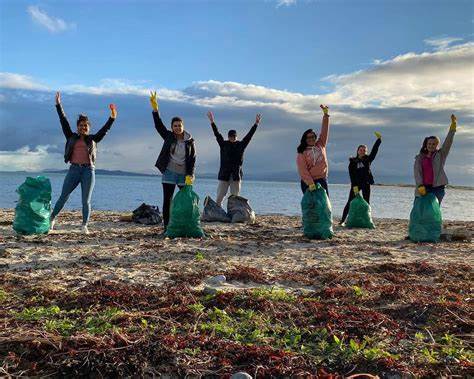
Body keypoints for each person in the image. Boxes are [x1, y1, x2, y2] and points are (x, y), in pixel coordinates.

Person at [50, 92, 117, 234]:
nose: (83, 128)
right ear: (77, 127)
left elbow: (105, 130)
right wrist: (58, 105)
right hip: (73, 170)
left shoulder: (93, 139)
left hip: (88, 171)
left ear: (89, 128)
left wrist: (112, 118)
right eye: (81, 125)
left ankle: (84, 225)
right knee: (64, 196)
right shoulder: (71, 136)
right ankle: (52, 218)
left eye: (85, 126)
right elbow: (63, 120)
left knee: (86, 200)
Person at [149, 91, 196, 231]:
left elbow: (192, 159)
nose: (177, 127)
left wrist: (190, 175)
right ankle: (167, 227)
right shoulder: (168, 136)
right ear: (172, 127)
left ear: (183, 126)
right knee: (167, 201)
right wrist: (155, 109)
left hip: (184, 174)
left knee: (186, 201)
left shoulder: (190, 141)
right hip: (169, 172)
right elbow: (158, 126)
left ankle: (187, 224)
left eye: (179, 125)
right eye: (175, 125)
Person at [207, 111, 262, 207]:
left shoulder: (241, 145)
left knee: (235, 197)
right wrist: (212, 122)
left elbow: (249, 136)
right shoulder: (223, 144)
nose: (233, 138)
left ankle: (234, 213)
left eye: (234, 136)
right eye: (231, 137)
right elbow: (217, 134)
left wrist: (256, 124)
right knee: (220, 196)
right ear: (228, 137)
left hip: (236, 176)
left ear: (236, 137)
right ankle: (217, 212)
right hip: (224, 175)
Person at [340, 132, 382, 225]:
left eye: (364, 150)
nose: (362, 151)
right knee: (350, 202)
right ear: (357, 151)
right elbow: (352, 175)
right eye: (361, 150)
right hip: (356, 185)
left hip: (366, 183)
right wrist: (354, 186)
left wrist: (378, 140)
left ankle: (367, 221)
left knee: (367, 203)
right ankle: (342, 221)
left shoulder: (368, 159)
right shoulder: (352, 162)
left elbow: (374, 151)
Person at [414, 114, 457, 205]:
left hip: (438, 188)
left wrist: (452, 128)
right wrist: (420, 185)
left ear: (437, 145)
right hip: (423, 188)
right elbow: (417, 172)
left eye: (434, 144)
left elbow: (448, 142)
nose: (431, 146)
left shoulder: (441, 155)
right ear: (426, 144)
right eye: (429, 144)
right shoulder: (420, 157)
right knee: (420, 210)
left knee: (433, 211)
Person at [296, 105, 330, 195]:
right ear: (305, 139)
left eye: (313, 137)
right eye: (308, 137)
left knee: (325, 207)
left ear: (315, 137)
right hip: (308, 182)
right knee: (312, 208)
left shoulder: (321, 145)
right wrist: (311, 184)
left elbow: (325, 130)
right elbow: (302, 170)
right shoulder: (302, 152)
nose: (311, 139)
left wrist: (326, 115)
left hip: (322, 180)